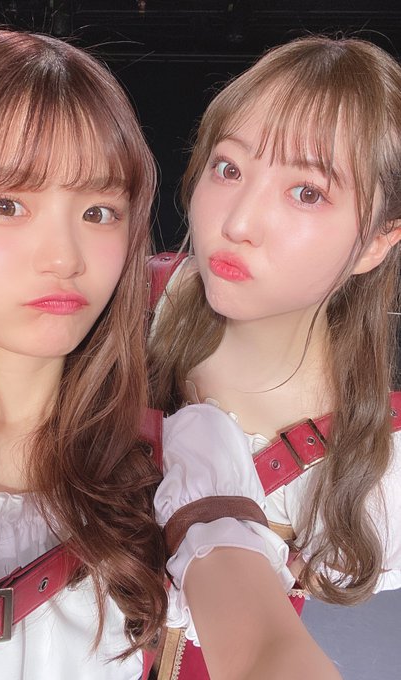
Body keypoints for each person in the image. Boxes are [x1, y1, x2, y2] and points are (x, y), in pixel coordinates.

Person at [0, 29, 340, 680]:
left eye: (99, 212)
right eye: (6, 205)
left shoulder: (182, 460)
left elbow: (264, 649)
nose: (64, 258)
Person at [149, 33, 401, 626]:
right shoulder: (114, 308)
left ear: (377, 242)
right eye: (228, 168)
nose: (237, 223)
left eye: (307, 192)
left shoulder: (379, 477)